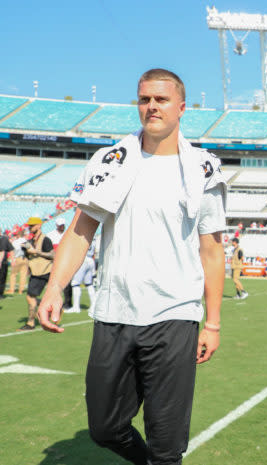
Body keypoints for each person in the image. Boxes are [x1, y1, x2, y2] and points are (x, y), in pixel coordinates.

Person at [36, 68, 227, 465]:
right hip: (114, 312)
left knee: (166, 445)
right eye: (144, 99)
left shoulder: (203, 167)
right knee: (104, 428)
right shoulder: (110, 159)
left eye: (161, 99)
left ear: (181, 107)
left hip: (174, 316)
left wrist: (212, 322)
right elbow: (80, 230)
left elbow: (211, 249)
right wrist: (54, 287)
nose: (151, 106)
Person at [18, 217, 54, 330]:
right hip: (35, 272)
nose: (30, 227)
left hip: (43, 272)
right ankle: (50, 308)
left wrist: (36, 251)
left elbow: (52, 255)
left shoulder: (45, 240)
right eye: (29, 226)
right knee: (31, 297)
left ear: (39, 225)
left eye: (32, 225)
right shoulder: (32, 240)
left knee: (30, 296)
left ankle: (31, 323)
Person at [63, 239, 97, 314]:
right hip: (91, 259)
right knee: (89, 284)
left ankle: (76, 307)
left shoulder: (82, 236)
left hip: (82, 259)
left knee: (75, 283)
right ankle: (94, 306)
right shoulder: (93, 238)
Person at [48, 217, 73, 310]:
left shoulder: (68, 234)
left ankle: (68, 303)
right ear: (57, 225)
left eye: (63, 225)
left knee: (67, 284)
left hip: (66, 261)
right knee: (54, 283)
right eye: (60, 225)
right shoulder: (50, 235)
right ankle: (52, 302)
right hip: (54, 262)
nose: (62, 227)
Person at [0, 230, 13, 298]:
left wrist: (13, 259)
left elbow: (11, 249)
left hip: (3, 262)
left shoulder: (4, 239)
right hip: (2, 261)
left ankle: (1, 293)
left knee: (2, 278)